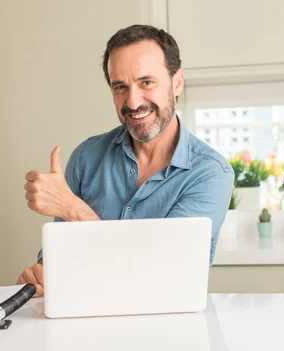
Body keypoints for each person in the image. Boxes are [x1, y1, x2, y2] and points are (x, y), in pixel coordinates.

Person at [17, 24, 233, 297]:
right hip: (84, 323)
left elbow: (158, 274)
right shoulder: (86, 157)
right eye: (120, 87)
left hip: (167, 331)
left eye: (146, 82)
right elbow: (61, 256)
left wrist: (76, 211)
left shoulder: (210, 174)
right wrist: (41, 274)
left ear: (176, 82)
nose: (132, 102)